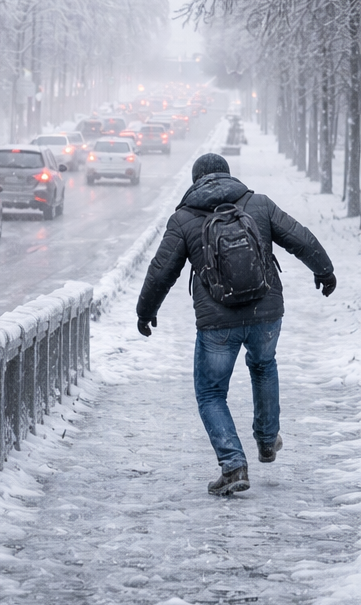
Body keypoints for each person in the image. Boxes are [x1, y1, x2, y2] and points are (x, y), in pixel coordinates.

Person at [136, 153, 336, 496]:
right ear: (228, 175)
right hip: (266, 312)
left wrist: (146, 311)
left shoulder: (184, 218)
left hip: (217, 322)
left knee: (212, 393)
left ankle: (233, 466)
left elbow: (161, 271)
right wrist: (324, 270)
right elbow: (299, 237)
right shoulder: (257, 204)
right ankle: (267, 440)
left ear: (195, 180)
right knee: (263, 365)